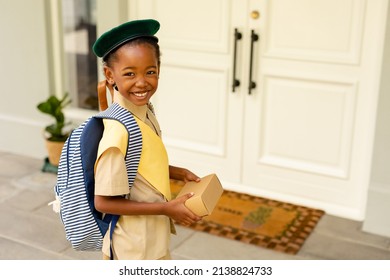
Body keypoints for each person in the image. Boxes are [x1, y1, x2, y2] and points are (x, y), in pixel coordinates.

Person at [92, 19, 202, 260]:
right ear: (110, 75)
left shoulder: (144, 112)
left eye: (150, 72)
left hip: (153, 239)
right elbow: (103, 202)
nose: (142, 82)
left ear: (159, 69)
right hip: (132, 248)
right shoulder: (118, 132)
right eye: (129, 73)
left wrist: (176, 172)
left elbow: (139, 165)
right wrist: (166, 208)